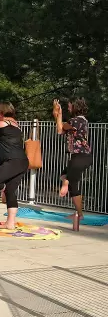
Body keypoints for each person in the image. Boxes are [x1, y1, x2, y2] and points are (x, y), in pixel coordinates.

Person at [0, 102, 28, 230]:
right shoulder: (15, 125)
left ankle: (3, 189)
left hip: (12, 161)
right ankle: (10, 223)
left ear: (1, 112)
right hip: (22, 162)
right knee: (10, 191)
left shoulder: (2, 124)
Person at [53, 97, 92, 231]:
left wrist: (59, 114)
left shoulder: (77, 120)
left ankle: (67, 183)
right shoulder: (78, 121)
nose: (69, 107)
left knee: (70, 181)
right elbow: (60, 130)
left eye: (70, 106)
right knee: (64, 175)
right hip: (79, 157)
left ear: (76, 106)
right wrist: (57, 115)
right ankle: (67, 182)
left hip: (81, 157)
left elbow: (61, 127)